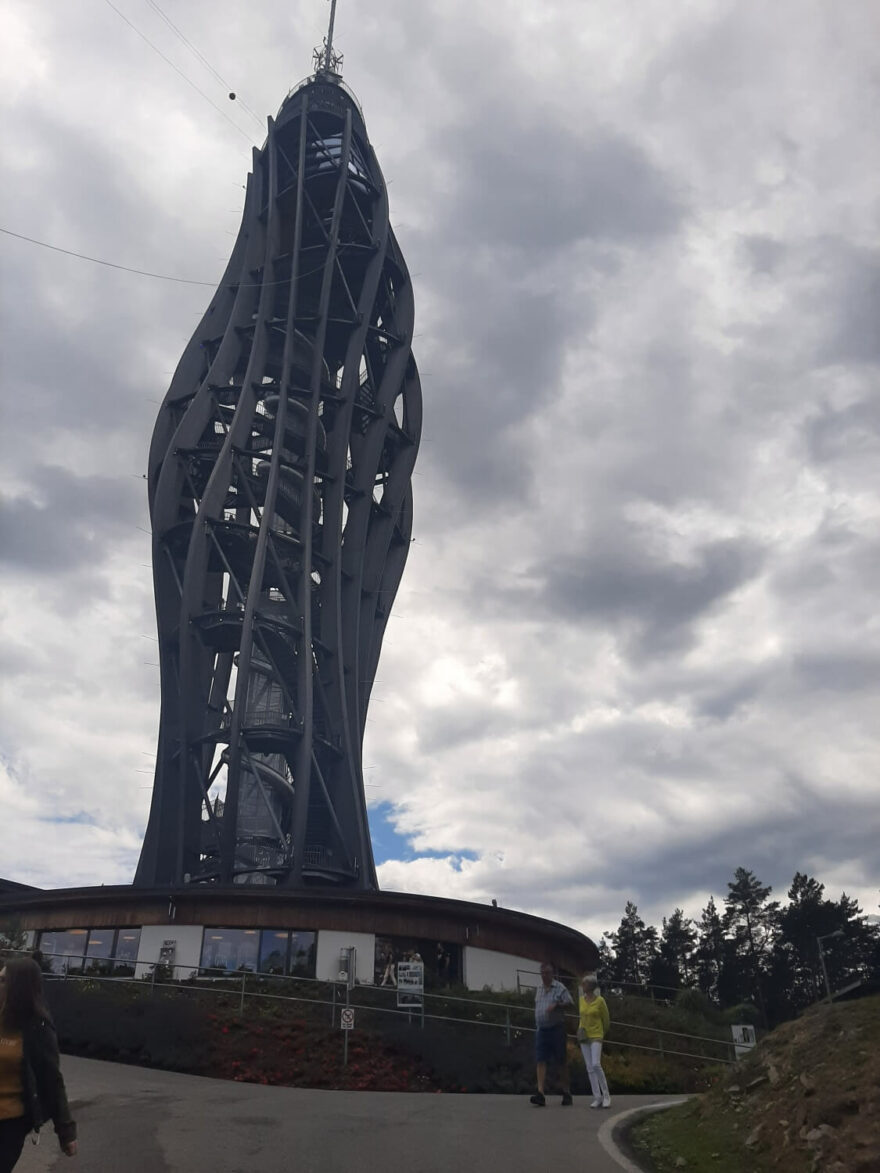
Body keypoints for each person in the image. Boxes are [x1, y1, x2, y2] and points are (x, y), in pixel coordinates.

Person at [0, 958, 77, 1171]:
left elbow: (52, 1080)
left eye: (3, 980)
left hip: (9, 1125)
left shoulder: (37, 1029)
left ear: (19, 988)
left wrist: (66, 1132)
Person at [530, 962, 573, 1106]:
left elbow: (570, 1003)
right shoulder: (539, 989)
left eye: (547, 973)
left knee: (561, 1061)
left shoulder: (559, 988)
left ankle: (566, 1092)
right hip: (542, 1029)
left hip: (556, 1029)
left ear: (552, 973)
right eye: (542, 973)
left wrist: (557, 1005)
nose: (544, 976)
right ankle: (540, 1093)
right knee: (540, 1060)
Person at [577, 975, 611, 1108]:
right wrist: (580, 1029)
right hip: (584, 1036)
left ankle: (606, 1095)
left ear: (590, 986)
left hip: (596, 1035)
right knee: (589, 1067)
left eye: (584, 984)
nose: (582, 986)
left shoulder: (600, 1001)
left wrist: (602, 1033)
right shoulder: (581, 1000)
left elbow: (606, 1019)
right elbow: (582, 1017)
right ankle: (597, 1097)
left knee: (596, 1064)